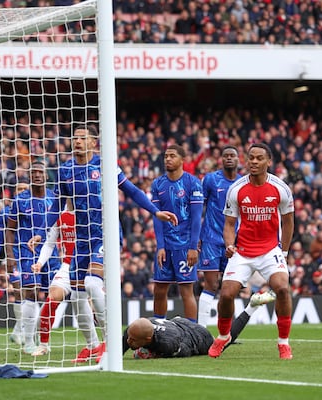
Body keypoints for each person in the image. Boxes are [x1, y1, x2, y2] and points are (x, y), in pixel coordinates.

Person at [56, 124, 179, 363]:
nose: (78, 141)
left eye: (83, 138)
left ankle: (112, 340)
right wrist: (40, 232)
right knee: (77, 296)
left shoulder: (104, 165)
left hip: (106, 233)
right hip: (81, 237)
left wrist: (155, 211)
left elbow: (132, 191)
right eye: (75, 138)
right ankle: (92, 345)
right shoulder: (65, 170)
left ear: (93, 142)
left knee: (92, 283)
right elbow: (57, 206)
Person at [208, 143, 294, 360]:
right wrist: (229, 244)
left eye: (259, 158)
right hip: (243, 251)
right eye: (251, 158)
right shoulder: (236, 189)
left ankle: (283, 343)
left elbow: (289, 221)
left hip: (270, 250)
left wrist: (283, 253)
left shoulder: (280, 188)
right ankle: (223, 336)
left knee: (282, 288)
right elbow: (229, 224)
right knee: (226, 294)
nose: (254, 162)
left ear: (268, 161)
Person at [3, 160, 62, 354]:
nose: (37, 175)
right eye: (33, 172)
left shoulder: (55, 198)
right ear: (29, 176)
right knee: (31, 292)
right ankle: (28, 342)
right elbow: (9, 230)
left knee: (53, 296)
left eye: (40, 172)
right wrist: (10, 255)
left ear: (46, 176)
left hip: (52, 254)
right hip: (27, 254)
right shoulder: (20, 200)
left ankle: (42, 339)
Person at [122, 291, 275, 359]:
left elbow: (188, 351)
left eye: (133, 340)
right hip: (176, 323)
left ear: (148, 339)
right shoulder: (134, 331)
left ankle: (251, 307)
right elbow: (120, 347)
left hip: (197, 336)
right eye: (130, 337)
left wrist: (151, 355)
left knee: (222, 342)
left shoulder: (168, 344)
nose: (129, 341)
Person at [151, 144, 204, 322]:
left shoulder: (193, 183)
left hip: (184, 245)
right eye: (166, 156)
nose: (168, 159)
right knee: (159, 289)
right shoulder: (157, 184)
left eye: (172, 156)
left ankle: (192, 332)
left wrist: (193, 247)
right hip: (166, 244)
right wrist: (160, 246)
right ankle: (158, 327)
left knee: (186, 291)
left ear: (182, 159)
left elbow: (197, 218)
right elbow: (156, 217)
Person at [197, 145, 242, 327]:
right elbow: (200, 207)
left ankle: (228, 331)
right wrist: (197, 236)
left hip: (234, 240)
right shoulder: (210, 180)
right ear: (221, 160)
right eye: (226, 156)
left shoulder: (243, 183)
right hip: (210, 239)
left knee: (229, 288)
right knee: (211, 285)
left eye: (232, 156)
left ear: (239, 160)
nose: (229, 158)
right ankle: (201, 329)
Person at [27, 203, 75, 356]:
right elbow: (49, 243)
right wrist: (40, 263)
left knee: (93, 305)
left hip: (92, 265)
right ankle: (43, 345)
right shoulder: (59, 214)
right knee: (51, 299)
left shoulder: (91, 209)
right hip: (68, 266)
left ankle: (103, 343)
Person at [0, 181, 30, 346]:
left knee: (30, 293)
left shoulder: (35, 209)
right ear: (14, 192)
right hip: (14, 257)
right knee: (18, 290)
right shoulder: (6, 213)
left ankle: (18, 331)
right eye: (18, 188)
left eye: (24, 189)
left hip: (32, 256)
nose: (21, 191)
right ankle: (20, 330)